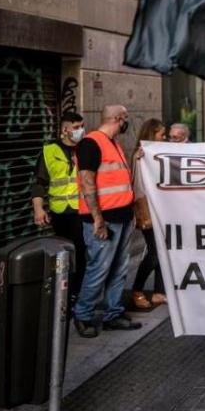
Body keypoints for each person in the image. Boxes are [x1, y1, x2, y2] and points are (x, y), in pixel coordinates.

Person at [72, 105, 142, 338]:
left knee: (119, 269)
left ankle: (113, 313)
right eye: (126, 119)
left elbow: (120, 181)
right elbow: (87, 183)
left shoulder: (115, 144)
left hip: (122, 217)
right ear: (118, 118)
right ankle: (82, 314)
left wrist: (134, 160)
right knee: (99, 269)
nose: (126, 123)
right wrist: (97, 220)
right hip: (104, 221)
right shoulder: (91, 143)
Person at [31, 111, 87, 313]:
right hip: (60, 213)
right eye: (76, 127)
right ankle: (64, 295)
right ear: (65, 129)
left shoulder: (85, 148)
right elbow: (39, 184)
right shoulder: (48, 151)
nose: (81, 131)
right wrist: (39, 209)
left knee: (81, 253)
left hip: (82, 211)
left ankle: (76, 296)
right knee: (65, 256)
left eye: (82, 126)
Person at [130, 119, 167, 310]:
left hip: (159, 211)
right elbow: (139, 188)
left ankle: (159, 292)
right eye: (162, 134)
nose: (165, 137)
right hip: (149, 212)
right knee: (154, 252)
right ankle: (137, 290)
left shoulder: (154, 154)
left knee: (162, 252)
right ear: (153, 134)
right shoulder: (141, 156)